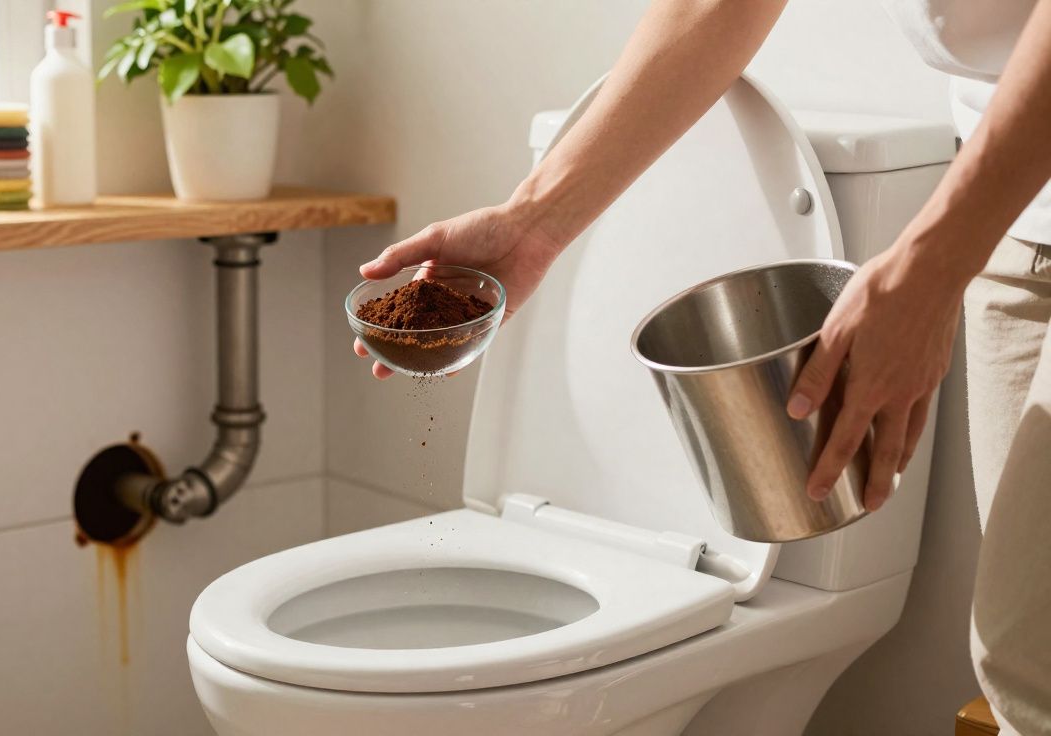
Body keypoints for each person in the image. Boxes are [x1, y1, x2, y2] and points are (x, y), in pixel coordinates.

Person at [353, 1, 1051, 732]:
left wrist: (931, 266)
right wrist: (533, 222)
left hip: (991, 200)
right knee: (1024, 666)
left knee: (1031, 670)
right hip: (1018, 203)